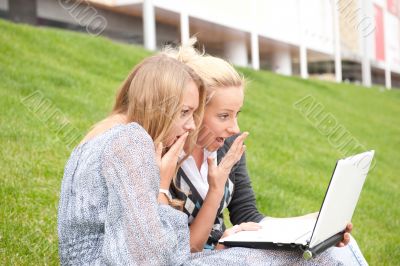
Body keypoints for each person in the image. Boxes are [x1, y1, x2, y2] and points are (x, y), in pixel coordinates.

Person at [58, 50, 360, 265]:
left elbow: (150, 248)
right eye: (186, 112)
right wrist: (163, 189)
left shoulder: (114, 138)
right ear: (160, 106)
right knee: (308, 257)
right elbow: (151, 258)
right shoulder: (133, 141)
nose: (190, 124)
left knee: (316, 251)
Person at [164, 40, 368, 265]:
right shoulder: (166, 161)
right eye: (224, 116)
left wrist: (314, 224)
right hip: (201, 257)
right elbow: (177, 252)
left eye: (236, 114)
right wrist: (223, 242)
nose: (235, 128)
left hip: (225, 249)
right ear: (195, 110)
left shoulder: (227, 146)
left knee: (332, 250)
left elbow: (248, 214)